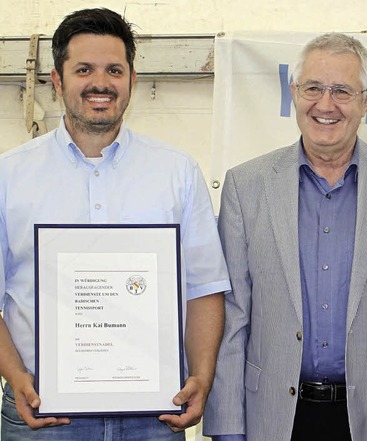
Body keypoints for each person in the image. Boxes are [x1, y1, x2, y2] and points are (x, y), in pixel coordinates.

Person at [0, 8, 230, 440]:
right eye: (83, 69)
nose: (100, 83)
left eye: (114, 70)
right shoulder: (8, 176)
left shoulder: (176, 172)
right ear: (57, 79)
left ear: (132, 80)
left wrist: (202, 375)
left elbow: (204, 288)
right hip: (42, 413)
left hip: (154, 414)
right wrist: (15, 375)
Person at [203, 33, 367, 441]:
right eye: (313, 88)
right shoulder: (246, 186)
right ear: (294, 93)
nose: (325, 104)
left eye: (342, 91)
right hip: (272, 418)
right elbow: (233, 317)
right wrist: (227, 427)